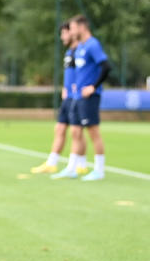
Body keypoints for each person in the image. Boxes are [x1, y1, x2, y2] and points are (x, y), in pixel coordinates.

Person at [58, 15, 110, 181]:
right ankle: (72, 167)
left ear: (82, 27)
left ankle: (99, 170)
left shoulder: (93, 45)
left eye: (73, 28)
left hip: (90, 97)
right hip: (78, 96)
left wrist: (93, 86)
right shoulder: (80, 47)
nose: (71, 32)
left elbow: (106, 66)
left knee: (93, 132)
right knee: (75, 131)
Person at [31, 22, 80, 174]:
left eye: (64, 33)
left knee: (76, 131)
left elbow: (86, 72)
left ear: (72, 32)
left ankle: (80, 165)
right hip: (67, 97)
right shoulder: (69, 53)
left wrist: (77, 86)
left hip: (77, 97)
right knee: (59, 128)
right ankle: (52, 163)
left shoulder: (81, 50)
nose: (62, 37)